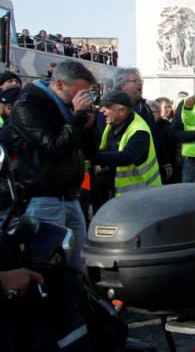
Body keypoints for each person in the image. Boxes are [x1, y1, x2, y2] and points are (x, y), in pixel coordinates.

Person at [10, 60, 96, 272]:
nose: (83, 99)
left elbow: (90, 151)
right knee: (49, 269)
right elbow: (53, 149)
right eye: (79, 92)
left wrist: (89, 125)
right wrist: (76, 117)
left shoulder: (67, 109)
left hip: (72, 197)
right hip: (45, 198)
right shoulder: (28, 105)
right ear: (60, 84)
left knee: (78, 269)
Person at [92, 91, 162, 196]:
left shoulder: (139, 130)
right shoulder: (113, 124)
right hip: (122, 193)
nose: (102, 110)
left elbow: (128, 157)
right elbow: (107, 149)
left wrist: (94, 158)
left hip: (141, 195)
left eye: (107, 107)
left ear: (122, 110)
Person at [109, 68, 173, 181]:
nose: (141, 84)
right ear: (123, 85)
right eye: (136, 81)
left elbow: (155, 137)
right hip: (125, 178)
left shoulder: (145, 108)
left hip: (148, 176)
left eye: (141, 81)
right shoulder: (111, 110)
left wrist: (165, 161)